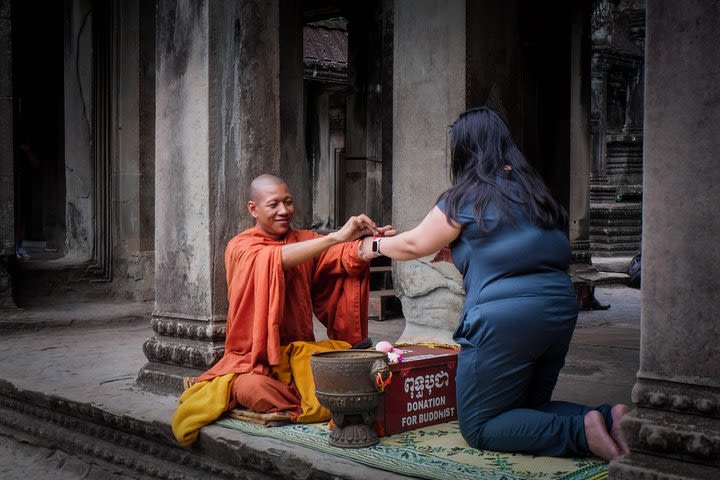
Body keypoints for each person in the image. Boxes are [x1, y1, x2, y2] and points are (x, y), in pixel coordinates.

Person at [359, 107, 630, 460]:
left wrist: (373, 246)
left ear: (464, 149)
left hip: (504, 319)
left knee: (481, 425)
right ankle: (610, 419)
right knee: (526, 408)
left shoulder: (465, 195)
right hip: (559, 310)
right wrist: (462, 255)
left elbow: (413, 244)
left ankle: (580, 431)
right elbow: (519, 248)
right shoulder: (537, 193)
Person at [172, 174, 392, 445]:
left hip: (299, 355)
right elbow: (273, 259)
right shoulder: (241, 246)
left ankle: (312, 400)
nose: (284, 211)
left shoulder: (303, 239)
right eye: (274, 204)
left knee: (341, 356)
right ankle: (311, 402)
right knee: (251, 388)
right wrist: (334, 238)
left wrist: (377, 245)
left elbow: (345, 256)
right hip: (256, 360)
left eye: (288, 202)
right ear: (253, 209)